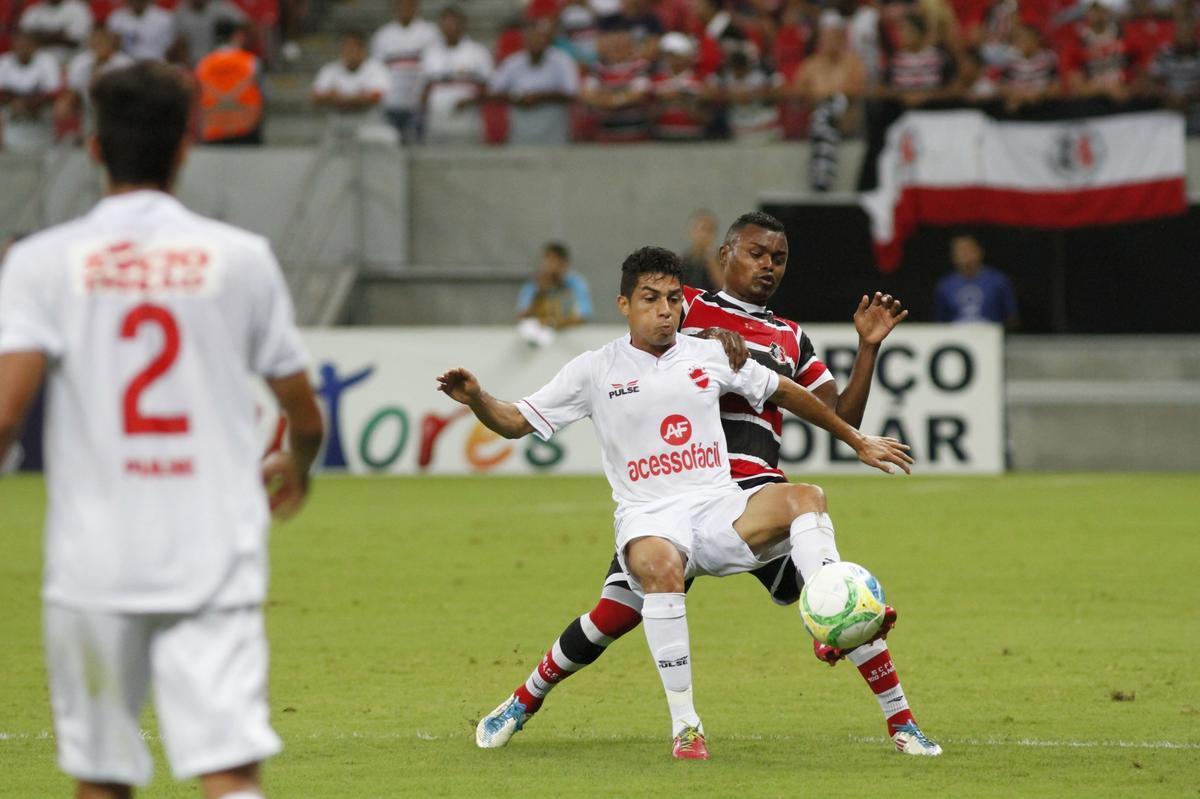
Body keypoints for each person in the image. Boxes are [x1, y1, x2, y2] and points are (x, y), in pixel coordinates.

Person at [470, 212, 941, 758]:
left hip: (745, 495)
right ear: (726, 256)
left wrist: (867, 351)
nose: (768, 265)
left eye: (779, 258)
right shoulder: (686, 306)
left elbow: (834, 411)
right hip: (664, 501)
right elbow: (651, 325)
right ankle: (527, 699)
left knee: (840, 600)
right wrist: (713, 331)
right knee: (611, 618)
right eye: (757, 254)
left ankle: (900, 719)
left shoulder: (790, 336)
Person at [0, 62, 325, 798]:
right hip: (213, 548)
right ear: (188, 143)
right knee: (231, 771)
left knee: (102, 777)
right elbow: (303, 413)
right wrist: (298, 465)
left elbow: (4, 413)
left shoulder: (40, 262)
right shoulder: (239, 257)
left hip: (93, 558)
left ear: (91, 146)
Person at [792, 11, 867, 191]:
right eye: (826, 36)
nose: (830, 40)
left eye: (834, 35)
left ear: (842, 37)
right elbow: (796, 96)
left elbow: (855, 92)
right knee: (823, 113)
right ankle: (824, 169)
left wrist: (827, 97)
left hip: (846, 120)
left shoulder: (854, 63)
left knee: (832, 105)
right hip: (817, 120)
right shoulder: (810, 65)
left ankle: (822, 172)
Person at [488, 17, 580, 146]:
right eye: (531, 38)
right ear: (524, 41)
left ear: (547, 40)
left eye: (539, 38)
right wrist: (517, 97)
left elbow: (572, 93)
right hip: (521, 131)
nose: (535, 42)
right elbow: (493, 92)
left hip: (554, 131)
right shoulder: (513, 62)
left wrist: (540, 97)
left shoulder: (563, 60)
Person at [418, 6, 493, 144]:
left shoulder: (478, 52)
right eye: (446, 24)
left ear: (463, 25)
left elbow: (487, 89)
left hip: (466, 119)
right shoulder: (430, 53)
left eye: (454, 24)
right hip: (437, 119)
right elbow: (425, 88)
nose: (450, 28)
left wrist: (469, 101)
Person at [370, 0, 439, 145]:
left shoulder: (430, 32)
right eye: (400, 5)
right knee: (392, 146)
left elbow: (434, 66)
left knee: (420, 147)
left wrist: (424, 92)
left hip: (419, 102)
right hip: (392, 101)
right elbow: (376, 70)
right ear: (394, 8)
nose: (405, 9)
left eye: (409, 5)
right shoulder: (382, 36)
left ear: (416, 7)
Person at [56, 27, 135, 139]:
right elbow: (72, 92)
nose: (99, 46)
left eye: (102, 42)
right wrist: (65, 104)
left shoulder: (125, 64)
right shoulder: (80, 62)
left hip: (118, 113)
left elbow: (130, 96)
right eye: (95, 42)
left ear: (112, 43)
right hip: (90, 112)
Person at [311, 31, 391, 139]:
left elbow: (376, 97)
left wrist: (338, 97)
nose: (350, 53)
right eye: (347, 48)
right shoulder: (330, 70)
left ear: (362, 50)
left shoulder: (375, 68)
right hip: (338, 125)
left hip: (368, 123)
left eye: (354, 48)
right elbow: (315, 98)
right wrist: (359, 97)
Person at [195, 20, 264, 145]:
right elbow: (261, 94)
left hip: (213, 128)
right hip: (245, 128)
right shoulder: (250, 62)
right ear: (237, 36)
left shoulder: (203, 64)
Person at [933, 233, 1019, 328]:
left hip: (990, 336)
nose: (963, 254)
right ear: (953, 256)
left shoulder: (998, 281)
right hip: (956, 337)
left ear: (979, 251)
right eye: (958, 250)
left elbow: (1011, 316)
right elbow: (940, 321)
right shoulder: (945, 285)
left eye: (967, 249)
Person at [515, 241, 592, 344]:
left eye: (554, 260)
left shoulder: (576, 284)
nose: (549, 266)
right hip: (538, 341)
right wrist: (540, 292)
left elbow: (584, 316)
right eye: (547, 260)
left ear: (564, 263)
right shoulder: (533, 286)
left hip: (569, 340)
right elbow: (522, 316)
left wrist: (552, 323)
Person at [0, 29, 62, 153]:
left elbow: (54, 92)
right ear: (13, 46)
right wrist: (19, 101)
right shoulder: (4, 61)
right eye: (19, 44)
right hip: (12, 136)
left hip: (44, 135)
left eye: (27, 44)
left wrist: (26, 103)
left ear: (35, 46)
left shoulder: (47, 61)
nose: (23, 48)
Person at [18, 0, 94, 65]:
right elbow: (25, 41)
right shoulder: (32, 12)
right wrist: (59, 35)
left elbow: (76, 41)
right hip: (39, 65)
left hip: (72, 62)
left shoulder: (78, 8)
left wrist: (41, 35)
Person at [172, 0, 247, 66]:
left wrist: (235, 45)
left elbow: (245, 25)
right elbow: (179, 44)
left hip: (219, 62)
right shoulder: (181, 11)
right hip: (193, 63)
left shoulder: (220, 6)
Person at [107, 0, 176, 62]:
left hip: (155, 63)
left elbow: (169, 49)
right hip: (125, 65)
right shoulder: (116, 17)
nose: (136, 2)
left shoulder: (164, 18)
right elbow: (111, 47)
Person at [678, 209, 722, 290]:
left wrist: (710, 257)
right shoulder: (684, 261)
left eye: (709, 230)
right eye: (702, 229)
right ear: (692, 231)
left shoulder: (720, 259)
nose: (705, 235)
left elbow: (723, 287)